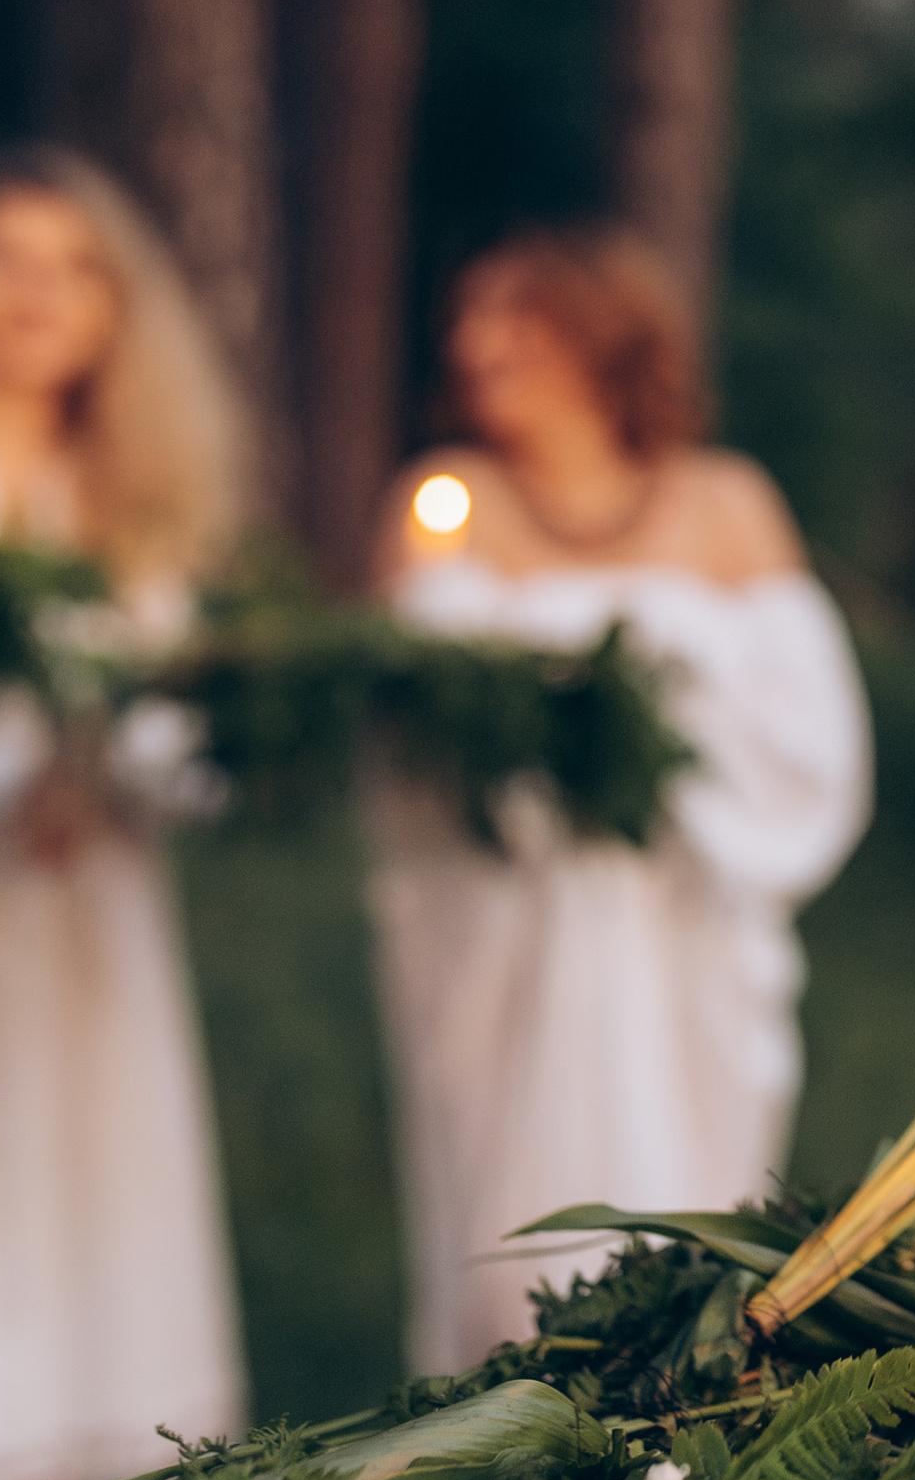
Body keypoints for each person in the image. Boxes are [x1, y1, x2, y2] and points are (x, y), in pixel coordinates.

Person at [368, 225, 874, 1377]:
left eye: (517, 317)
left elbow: (809, 730)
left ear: (605, 337)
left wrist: (663, 718)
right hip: (503, 929)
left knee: (685, 1223)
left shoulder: (726, 503)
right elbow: (399, 719)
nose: (476, 342)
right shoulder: (440, 501)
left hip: (681, 923)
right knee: (507, 1242)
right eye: (469, 319)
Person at [0, 147, 248, 1480]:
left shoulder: (135, 502)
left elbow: (191, 727)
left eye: (72, 268)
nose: (34, 297)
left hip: (89, 946)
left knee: (93, 1286)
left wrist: (118, 768)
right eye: (5, 257)